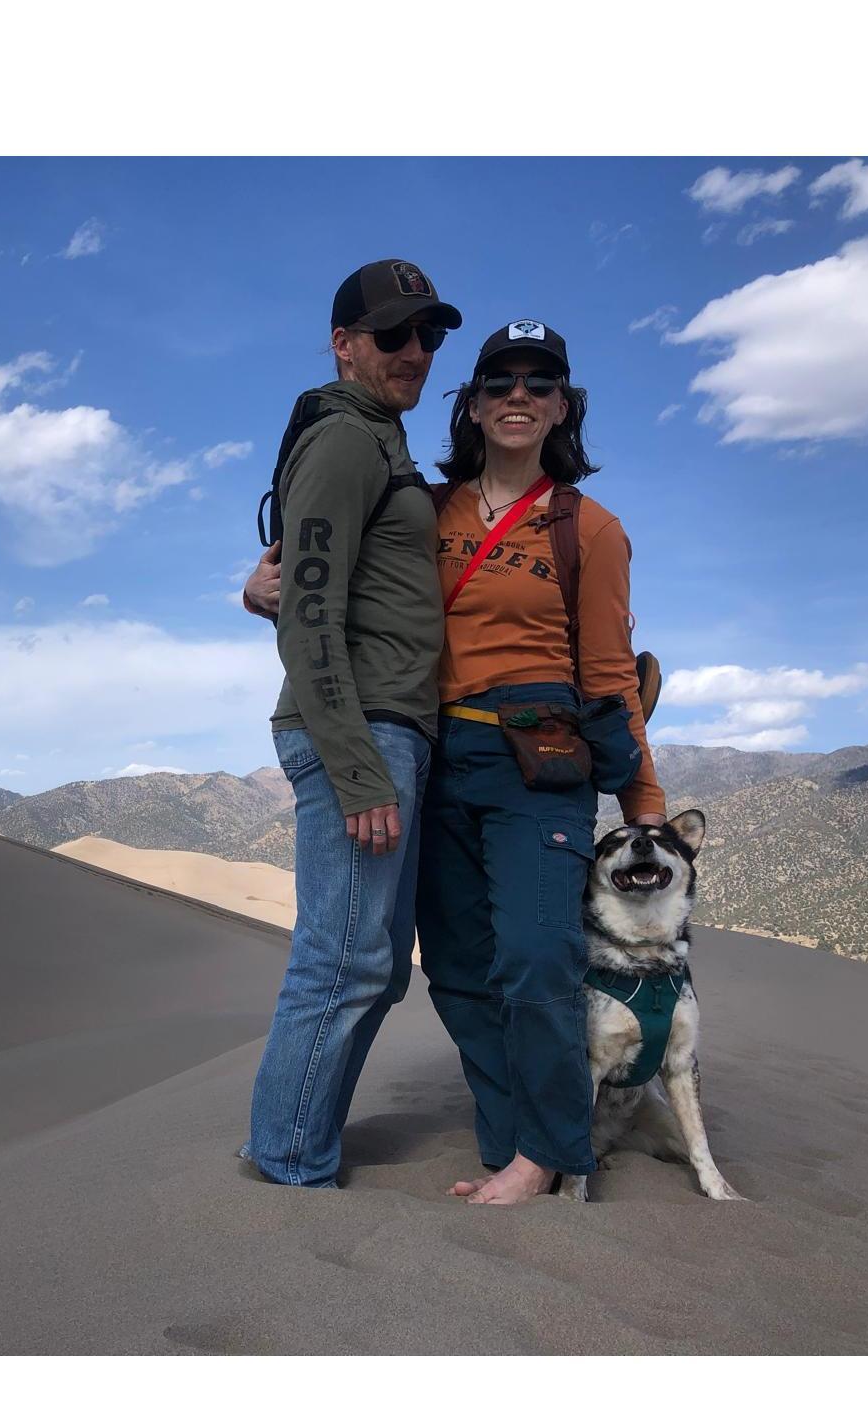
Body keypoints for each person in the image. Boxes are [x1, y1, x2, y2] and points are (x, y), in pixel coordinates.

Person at [245, 320, 666, 1204]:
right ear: (471, 405)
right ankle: (510, 1139)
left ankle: (547, 1154)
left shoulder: (590, 528)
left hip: (537, 757)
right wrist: (258, 588)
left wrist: (645, 805)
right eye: (499, 382)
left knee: (537, 955)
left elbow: (610, 677)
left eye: (540, 384)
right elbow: (335, 577)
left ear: (563, 408)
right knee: (461, 967)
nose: (519, 396)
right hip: (434, 752)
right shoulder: (423, 508)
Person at [240, 260, 460, 1188]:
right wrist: (359, 767)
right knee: (342, 961)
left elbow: (301, 586)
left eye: (428, 335)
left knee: (375, 964)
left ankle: (298, 1140)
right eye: (393, 334)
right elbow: (309, 613)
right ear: (343, 343)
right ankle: (289, 1158)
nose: (416, 351)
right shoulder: (344, 438)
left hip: (389, 726)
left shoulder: (379, 439)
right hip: (357, 729)